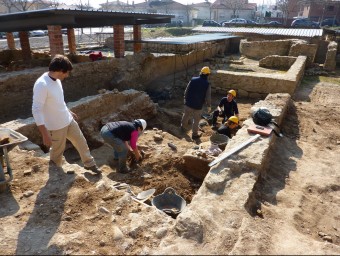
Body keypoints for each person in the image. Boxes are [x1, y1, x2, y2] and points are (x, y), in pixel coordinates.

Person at [32, 54, 101, 174]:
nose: (67, 75)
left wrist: (67, 110)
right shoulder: (42, 84)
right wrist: (44, 134)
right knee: (58, 151)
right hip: (55, 126)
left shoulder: (57, 80)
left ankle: (89, 163)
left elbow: (58, 99)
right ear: (60, 71)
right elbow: (36, 109)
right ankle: (56, 173)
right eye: (66, 72)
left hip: (67, 120)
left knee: (80, 141)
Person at [181, 66, 211, 140]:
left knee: (186, 115)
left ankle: (182, 128)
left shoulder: (193, 79)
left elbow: (186, 90)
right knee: (196, 121)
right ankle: (194, 135)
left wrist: (185, 99)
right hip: (198, 106)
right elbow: (208, 97)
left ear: (201, 73)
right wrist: (209, 106)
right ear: (207, 75)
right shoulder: (207, 84)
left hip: (188, 103)